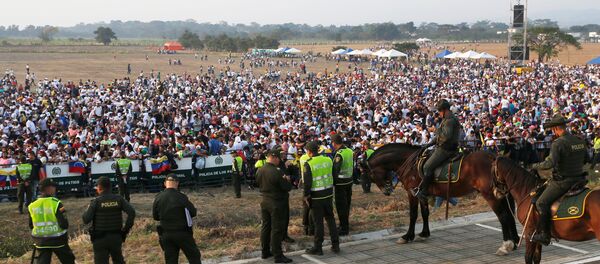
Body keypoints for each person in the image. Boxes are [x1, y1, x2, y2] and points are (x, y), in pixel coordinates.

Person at [530, 114, 588, 245]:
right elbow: (586, 159)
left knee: (541, 203)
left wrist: (534, 165)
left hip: (564, 182)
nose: (552, 132)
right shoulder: (579, 140)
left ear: (556, 128)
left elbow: (548, 164)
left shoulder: (558, 143)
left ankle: (544, 234)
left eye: (552, 129)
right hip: (580, 179)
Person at [82, 176, 136, 264]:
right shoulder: (119, 199)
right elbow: (132, 213)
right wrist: (126, 229)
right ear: (110, 187)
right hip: (116, 236)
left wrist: (88, 208)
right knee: (118, 260)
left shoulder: (95, 202)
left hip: (100, 239)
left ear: (99, 188)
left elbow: (86, 219)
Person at [415, 99, 460, 202]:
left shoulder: (449, 120)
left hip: (446, 149)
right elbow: (440, 136)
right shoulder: (446, 119)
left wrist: (435, 130)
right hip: (443, 147)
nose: (438, 113)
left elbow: (446, 136)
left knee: (427, 166)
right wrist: (428, 144)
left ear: (444, 110)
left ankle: (426, 192)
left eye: (439, 111)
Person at [256, 146, 293, 263]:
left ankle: (265, 251)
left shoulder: (260, 169)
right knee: (277, 228)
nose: (280, 161)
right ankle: (278, 255)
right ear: (274, 157)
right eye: (279, 158)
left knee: (266, 227)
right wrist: (287, 180)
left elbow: (257, 183)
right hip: (276, 202)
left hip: (264, 200)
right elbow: (287, 187)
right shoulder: (276, 171)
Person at [153, 174, 202, 264]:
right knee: (194, 257)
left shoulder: (158, 197)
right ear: (177, 183)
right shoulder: (181, 197)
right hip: (182, 233)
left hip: (166, 234)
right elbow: (193, 212)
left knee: (171, 260)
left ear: (165, 183)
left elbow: (155, 217)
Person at [303, 141, 340, 255]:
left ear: (309, 152)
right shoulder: (328, 160)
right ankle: (335, 245)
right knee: (331, 219)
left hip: (316, 197)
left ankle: (318, 247)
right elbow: (334, 175)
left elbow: (307, 183)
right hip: (328, 194)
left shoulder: (308, 164)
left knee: (318, 222)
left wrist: (305, 196)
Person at [28, 179, 76, 264]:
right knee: (68, 260)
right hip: (58, 240)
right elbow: (64, 224)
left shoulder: (32, 204)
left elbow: (31, 225)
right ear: (48, 188)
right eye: (53, 186)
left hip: (40, 240)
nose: (55, 188)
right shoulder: (56, 203)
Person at [331, 134, 353, 236]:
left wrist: (333, 183)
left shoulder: (339, 154)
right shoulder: (349, 151)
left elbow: (335, 171)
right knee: (347, 205)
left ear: (334, 143)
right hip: (349, 181)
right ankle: (345, 224)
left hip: (341, 183)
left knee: (341, 206)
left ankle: (344, 228)